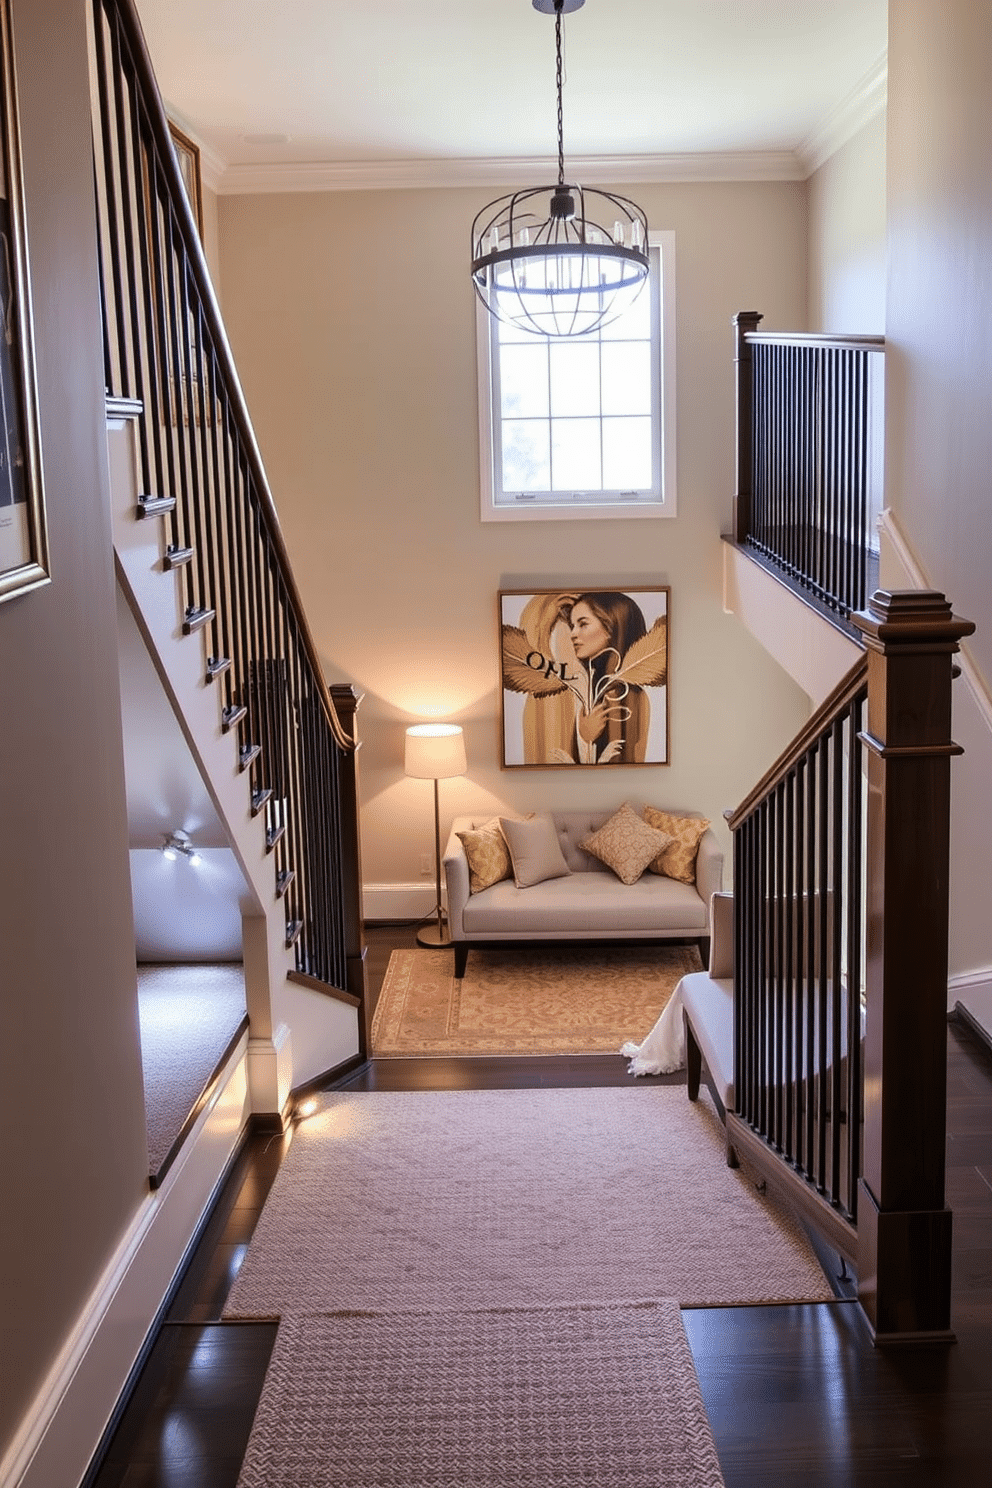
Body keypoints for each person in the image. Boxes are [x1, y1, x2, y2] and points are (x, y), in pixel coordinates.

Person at [559, 591, 650, 763]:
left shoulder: (624, 694)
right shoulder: (589, 686)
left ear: (610, 628)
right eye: (572, 626)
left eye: (583, 624)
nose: (573, 634)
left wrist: (586, 738)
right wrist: (583, 735)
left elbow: (624, 765)